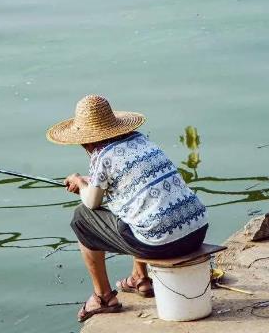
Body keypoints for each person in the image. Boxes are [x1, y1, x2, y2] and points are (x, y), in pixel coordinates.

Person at [46, 95, 208, 322]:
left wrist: (81, 183)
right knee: (138, 206)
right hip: (196, 231)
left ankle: (103, 297)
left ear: (87, 141)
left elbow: (92, 203)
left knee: (82, 219)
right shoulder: (140, 140)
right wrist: (89, 182)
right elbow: (127, 186)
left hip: (163, 244)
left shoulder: (101, 155)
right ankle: (140, 278)